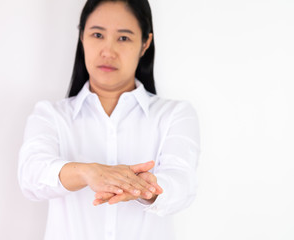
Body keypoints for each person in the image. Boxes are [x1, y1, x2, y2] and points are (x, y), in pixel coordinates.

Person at [18, 0, 200, 239]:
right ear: (82, 37)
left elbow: (182, 184)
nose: (108, 51)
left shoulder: (174, 114)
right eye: (97, 34)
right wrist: (87, 173)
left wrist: (146, 187)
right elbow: (31, 174)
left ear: (145, 43)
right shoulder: (51, 115)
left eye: (123, 38)